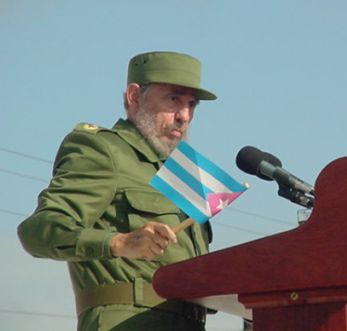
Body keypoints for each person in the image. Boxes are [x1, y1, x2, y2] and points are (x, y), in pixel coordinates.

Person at [17, 51, 217, 331]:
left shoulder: (184, 173)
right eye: (173, 99)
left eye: (192, 104)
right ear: (135, 97)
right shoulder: (102, 149)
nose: (184, 116)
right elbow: (38, 231)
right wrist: (118, 243)